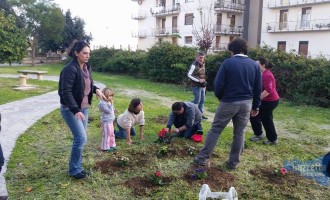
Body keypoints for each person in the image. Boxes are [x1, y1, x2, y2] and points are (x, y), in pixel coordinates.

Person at [193, 37, 262, 170]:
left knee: (215, 130)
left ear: (232, 50)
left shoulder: (228, 63)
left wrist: (221, 98)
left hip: (229, 101)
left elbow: (218, 84)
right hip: (246, 103)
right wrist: (256, 106)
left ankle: (202, 158)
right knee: (239, 133)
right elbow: (258, 87)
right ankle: (233, 163)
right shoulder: (254, 65)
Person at [58, 40, 106, 179]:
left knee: (80, 139)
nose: (87, 56)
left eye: (89, 53)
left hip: (83, 108)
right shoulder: (69, 69)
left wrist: (96, 89)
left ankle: (77, 166)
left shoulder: (86, 67)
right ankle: (74, 170)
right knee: (81, 138)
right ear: (76, 53)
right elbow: (65, 92)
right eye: (84, 53)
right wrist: (75, 109)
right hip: (71, 110)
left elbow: (87, 83)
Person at [249, 58, 280, 145]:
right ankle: (269, 137)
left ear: (263, 65)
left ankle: (264, 136)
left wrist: (257, 99)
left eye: (257, 64)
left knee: (255, 115)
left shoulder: (267, 75)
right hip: (267, 100)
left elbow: (268, 90)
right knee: (264, 118)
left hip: (271, 101)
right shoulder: (260, 73)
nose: (255, 66)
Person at [187, 52, 208, 120]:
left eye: (203, 57)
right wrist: (198, 80)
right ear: (197, 57)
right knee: (196, 101)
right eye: (200, 57)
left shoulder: (203, 64)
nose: (202, 59)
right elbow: (189, 75)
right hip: (196, 85)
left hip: (203, 85)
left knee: (202, 100)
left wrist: (203, 81)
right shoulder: (193, 65)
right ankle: (185, 105)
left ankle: (200, 115)